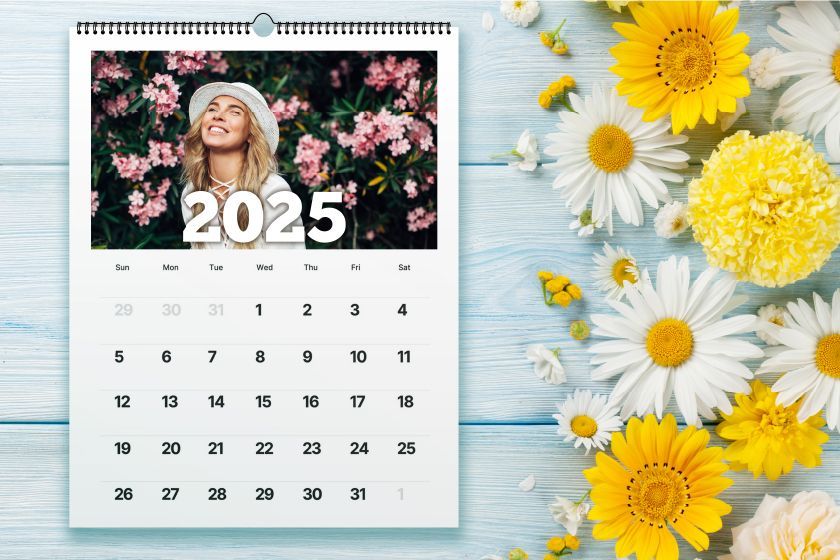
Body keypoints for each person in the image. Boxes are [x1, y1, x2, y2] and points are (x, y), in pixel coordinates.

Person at [180, 81, 305, 249]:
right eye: (212, 109)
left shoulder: (273, 191)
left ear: (251, 135)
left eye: (234, 112)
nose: (218, 116)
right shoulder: (191, 191)